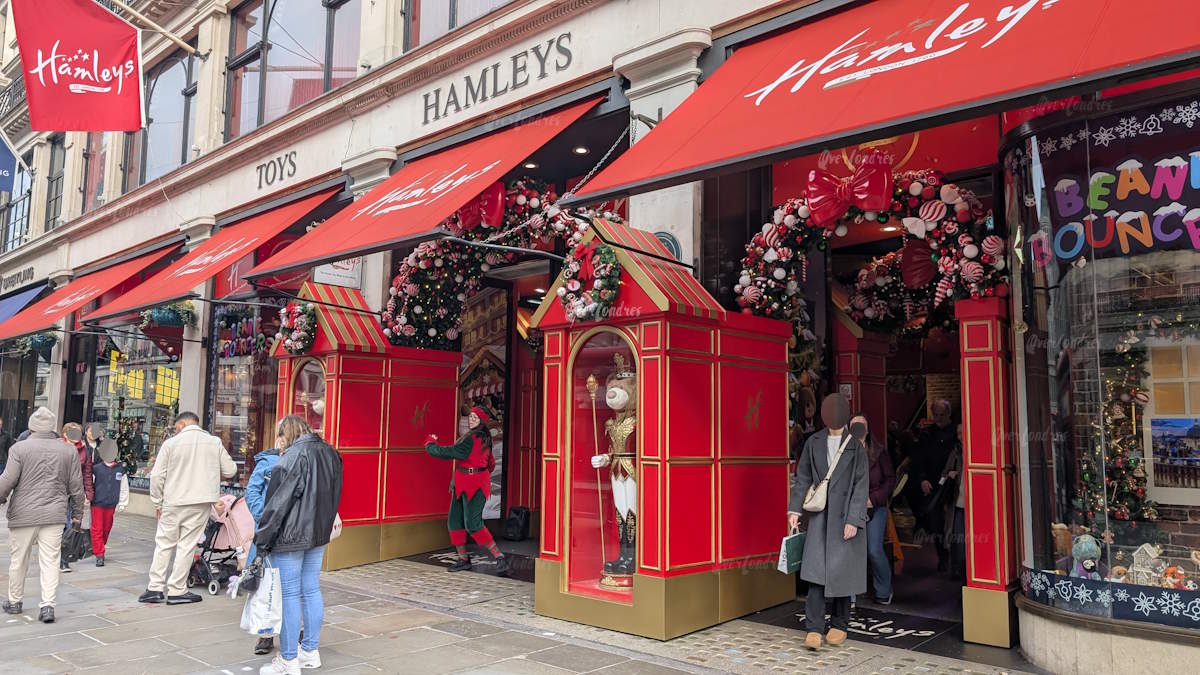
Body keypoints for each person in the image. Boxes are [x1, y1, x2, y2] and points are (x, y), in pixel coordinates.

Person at [253, 416, 342, 675]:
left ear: (286, 434)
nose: (277, 442)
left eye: (279, 436)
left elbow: (276, 505)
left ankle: (289, 659)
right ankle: (310, 651)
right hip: (317, 533)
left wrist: (262, 539)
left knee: (290, 594)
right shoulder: (331, 453)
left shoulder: (292, 457)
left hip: (290, 535)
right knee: (311, 589)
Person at [788, 394, 869, 651]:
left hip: (845, 516)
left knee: (843, 573)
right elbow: (802, 478)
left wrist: (854, 520)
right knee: (815, 574)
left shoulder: (856, 446)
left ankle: (839, 624)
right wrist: (794, 510)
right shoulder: (814, 441)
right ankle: (813, 628)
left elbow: (860, 485)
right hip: (821, 517)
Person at [140, 412, 237, 605]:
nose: (176, 431)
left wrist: (157, 501)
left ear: (183, 424)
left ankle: (155, 588)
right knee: (187, 545)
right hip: (200, 501)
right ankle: (176, 589)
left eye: (176, 427)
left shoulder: (171, 444)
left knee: (164, 543)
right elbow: (231, 470)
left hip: (173, 500)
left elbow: (157, 476)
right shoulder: (214, 442)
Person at [0, 407, 85, 623]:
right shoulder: (68, 451)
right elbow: (76, 486)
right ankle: (48, 606)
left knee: (19, 559)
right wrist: (77, 514)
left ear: (31, 426)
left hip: (23, 513)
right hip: (54, 513)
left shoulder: (19, 449)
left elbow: (7, 480)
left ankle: (15, 601)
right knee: (50, 560)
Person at [423, 406, 509, 575]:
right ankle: (463, 559)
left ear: (482, 421)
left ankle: (500, 557)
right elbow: (490, 463)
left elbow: (451, 452)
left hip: (474, 486)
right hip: (462, 484)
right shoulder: (480, 438)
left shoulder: (474, 438)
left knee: (473, 525)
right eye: (470, 416)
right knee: (454, 521)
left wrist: (431, 445)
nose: (471, 420)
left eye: (475, 418)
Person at [851, 413, 895, 605]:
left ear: (867, 429)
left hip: (875, 507)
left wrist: (874, 499)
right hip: (851, 508)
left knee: (874, 550)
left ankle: (884, 590)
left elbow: (890, 480)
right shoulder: (843, 452)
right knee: (850, 551)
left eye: (861, 425)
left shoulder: (879, 452)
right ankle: (848, 594)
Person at [909, 399, 957, 571]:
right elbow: (918, 459)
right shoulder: (927, 434)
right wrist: (922, 479)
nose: (938, 418)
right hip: (933, 484)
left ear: (948, 414)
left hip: (954, 484)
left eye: (942, 414)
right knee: (936, 524)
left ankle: (957, 562)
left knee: (955, 524)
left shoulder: (956, 432)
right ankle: (943, 558)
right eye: (935, 414)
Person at [245, 443, 282, 656]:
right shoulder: (267, 462)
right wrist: (264, 517)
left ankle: (293, 631)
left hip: (290, 534)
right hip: (268, 534)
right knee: (266, 583)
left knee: (288, 585)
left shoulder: (300, 459)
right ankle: (266, 634)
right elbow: (252, 492)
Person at [60, 423, 94, 573]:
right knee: (57, 525)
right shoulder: (57, 447)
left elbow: (87, 474)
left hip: (74, 493)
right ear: (65, 434)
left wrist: (88, 494)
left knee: (70, 525)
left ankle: (63, 560)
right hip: (56, 492)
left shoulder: (84, 451)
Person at [90, 439, 128, 567]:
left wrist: (123, 502)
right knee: (97, 529)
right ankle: (99, 554)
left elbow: (124, 487)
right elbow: (89, 485)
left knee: (106, 528)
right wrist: (87, 497)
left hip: (111, 503)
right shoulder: (96, 469)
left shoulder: (120, 470)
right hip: (97, 503)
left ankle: (99, 544)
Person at [941, 424, 967, 580]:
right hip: (958, 505)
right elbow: (942, 477)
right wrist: (948, 475)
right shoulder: (955, 453)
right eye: (959, 433)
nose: (961, 436)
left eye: (964, 433)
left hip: (974, 506)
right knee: (958, 543)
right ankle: (961, 575)